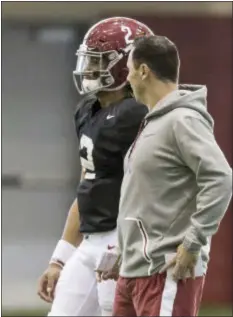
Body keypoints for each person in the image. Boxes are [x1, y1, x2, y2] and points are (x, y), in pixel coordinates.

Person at [103, 35, 232, 316]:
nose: (127, 79)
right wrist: (121, 253)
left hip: (166, 271)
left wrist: (193, 241)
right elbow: (142, 199)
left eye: (129, 70)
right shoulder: (154, 122)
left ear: (144, 71)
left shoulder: (183, 120)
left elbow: (220, 178)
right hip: (132, 272)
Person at [37, 17, 154, 316]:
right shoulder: (88, 110)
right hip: (90, 241)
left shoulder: (139, 114)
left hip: (124, 237)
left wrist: (131, 245)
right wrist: (58, 259)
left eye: (99, 60)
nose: (88, 68)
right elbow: (86, 187)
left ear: (125, 64)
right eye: (89, 60)